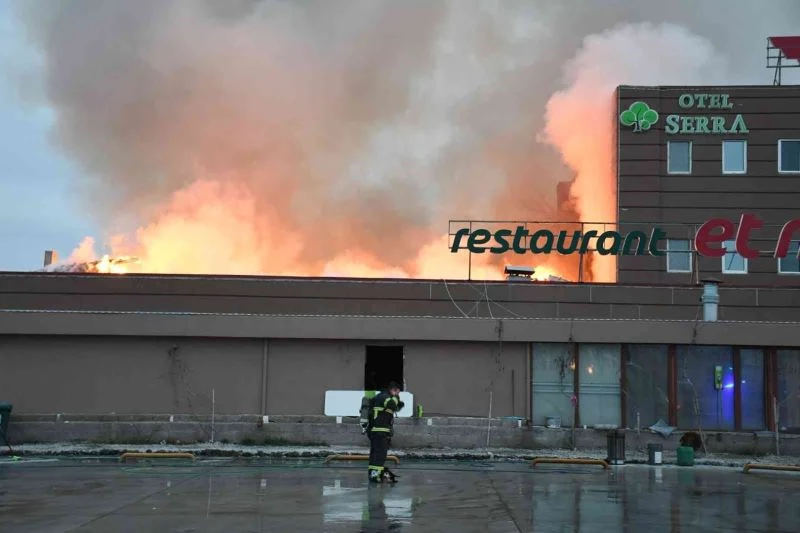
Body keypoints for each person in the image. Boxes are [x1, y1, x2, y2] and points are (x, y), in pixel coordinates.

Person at [367, 381, 404, 483]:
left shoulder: (382, 397)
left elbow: (397, 407)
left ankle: (373, 475)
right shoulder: (384, 397)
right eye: (397, 392)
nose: (398, 395)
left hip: (378, 432)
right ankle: (375, 476)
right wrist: (396, 398)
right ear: (393, 390)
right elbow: (392, 404)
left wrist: (398, 401)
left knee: (375, 455)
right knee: (380, 455)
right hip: (379, 432)